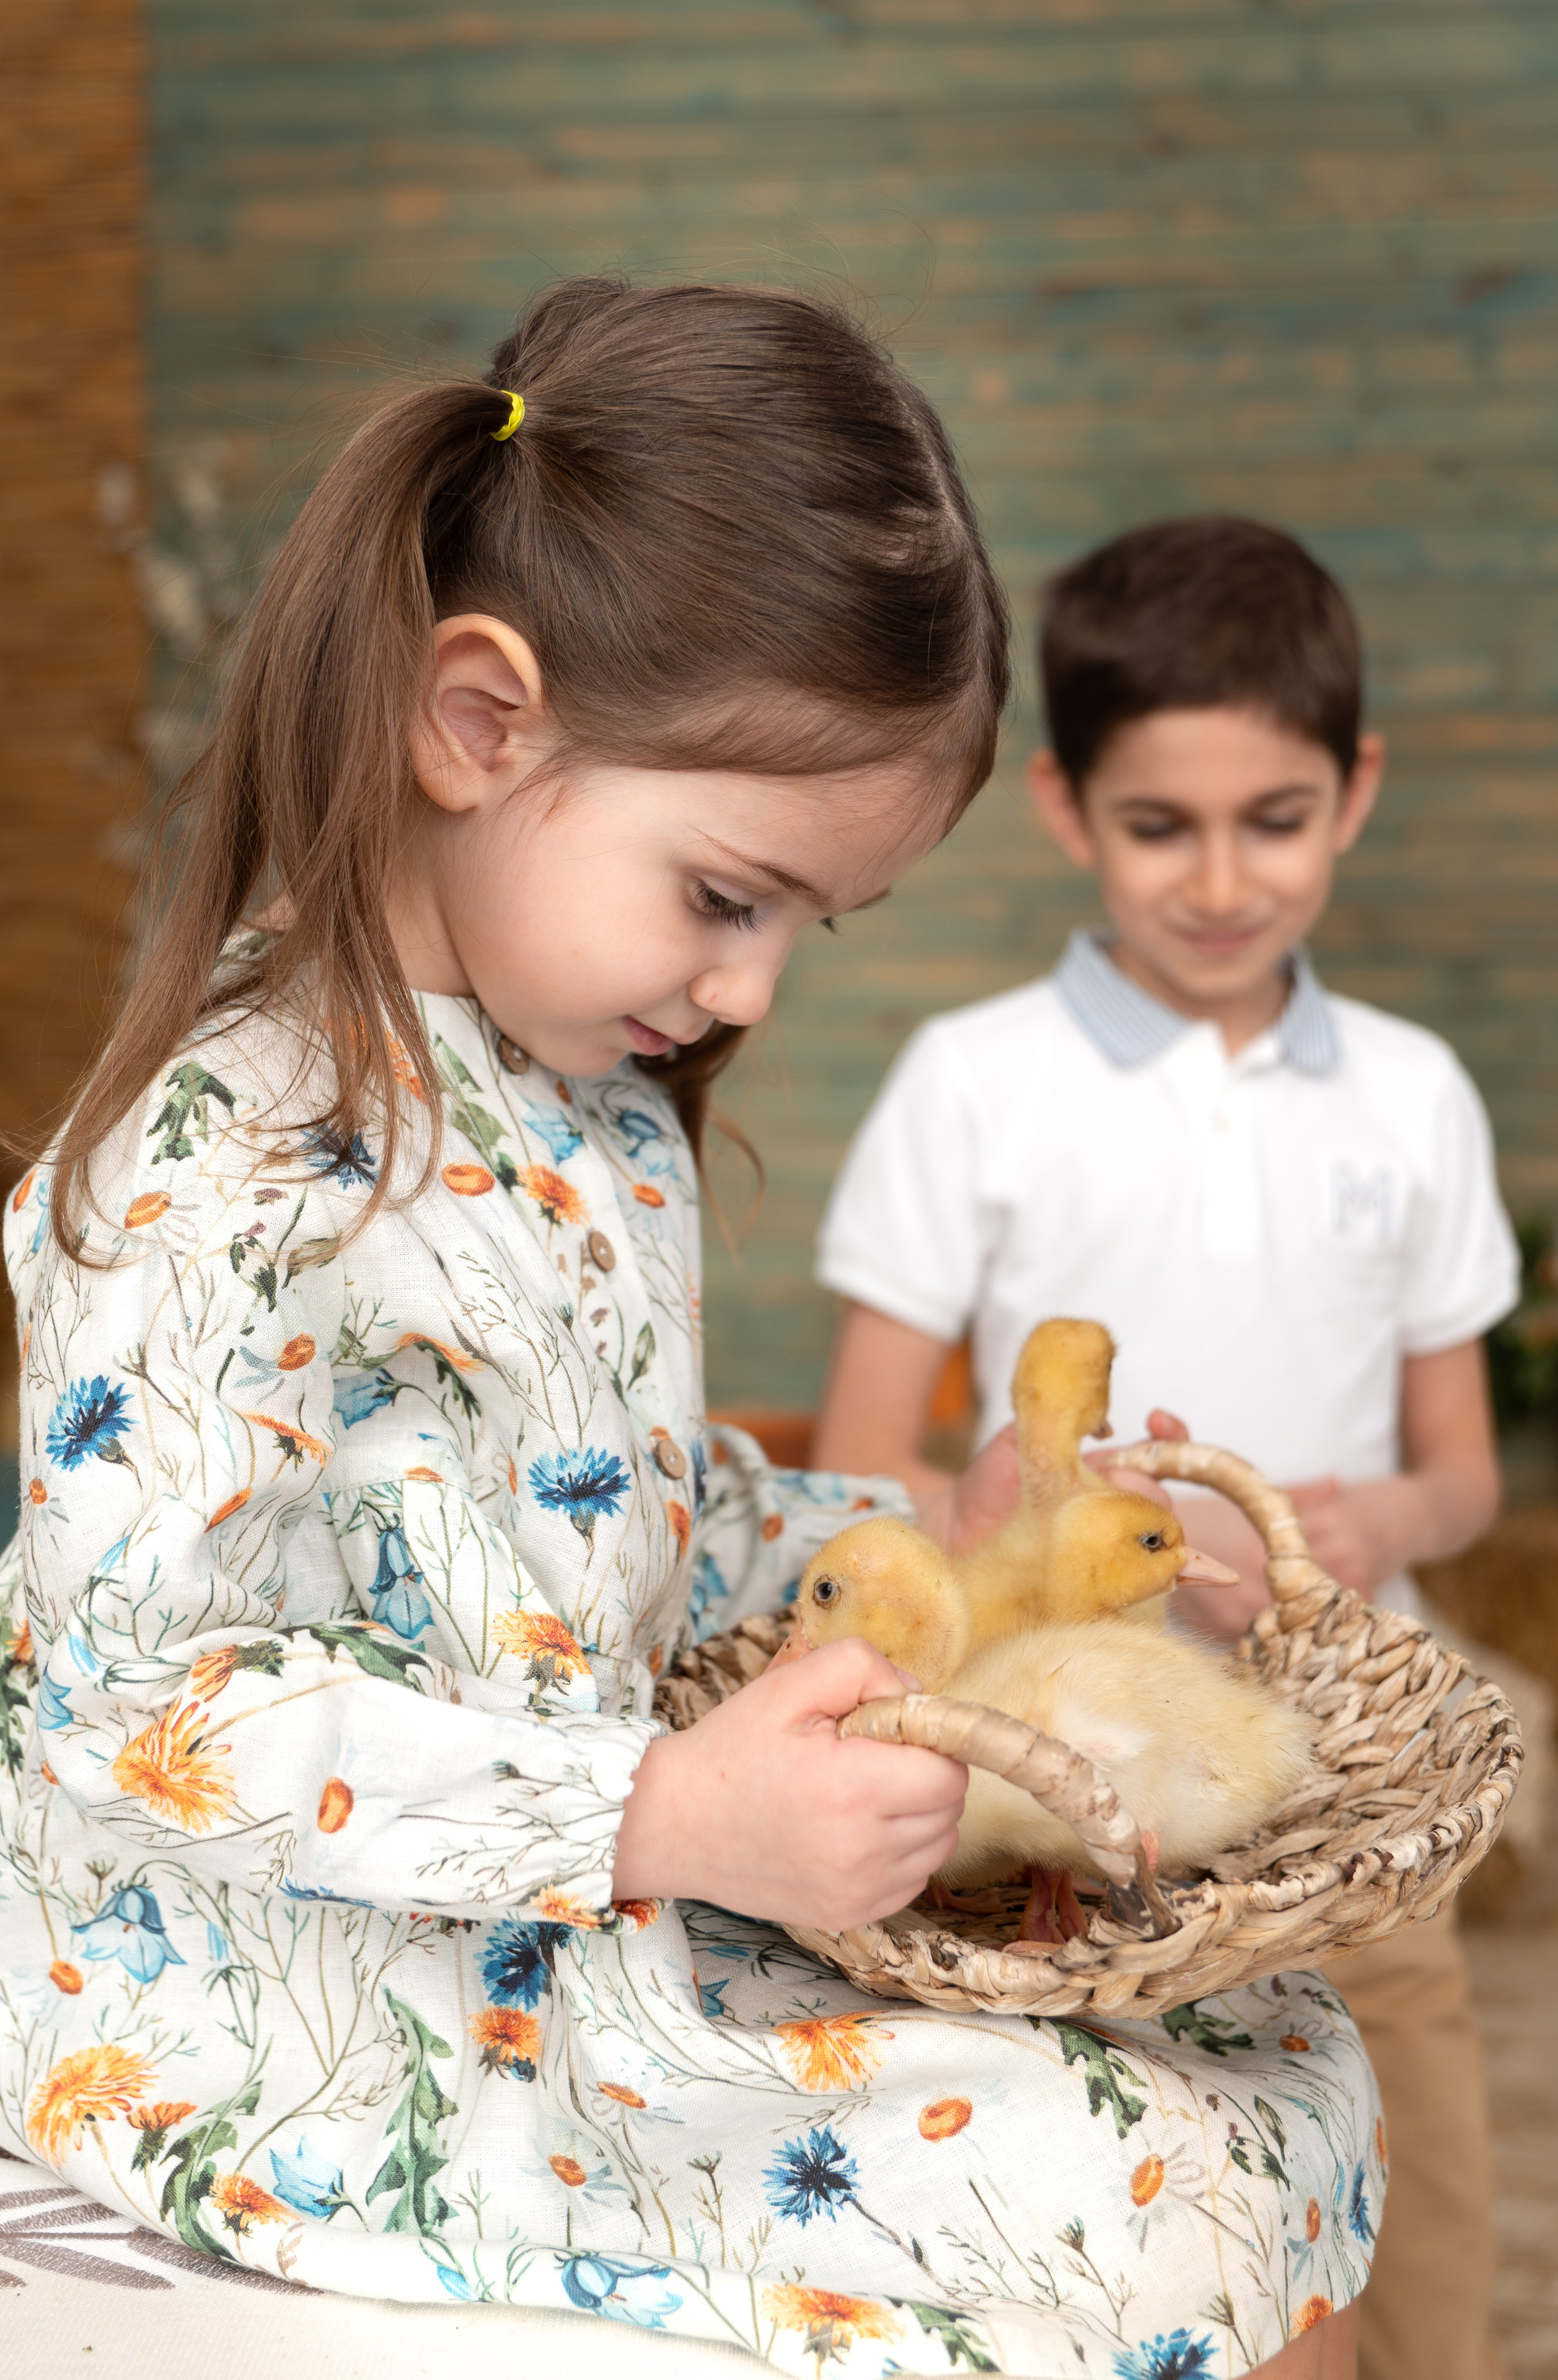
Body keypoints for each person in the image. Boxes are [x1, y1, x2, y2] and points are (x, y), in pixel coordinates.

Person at [0, 298, 1370, 2380]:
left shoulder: (588, 1113)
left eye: (802, 929)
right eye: (728, 895)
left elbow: (625, 1514)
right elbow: (141, 1712)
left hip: (572, 1896)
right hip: (293, 2004)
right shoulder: (226, 1167)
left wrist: (953, 1545)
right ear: (482, 721)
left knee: (1264, 2050)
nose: (749, 995)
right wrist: (652, 1821)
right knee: (1141, 2195)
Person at [814, 515, 1518, 2380]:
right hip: (1064, 1811)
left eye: (1273, 819)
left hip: (1353, 1803)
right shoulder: (974, 1085)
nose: (1220, 878)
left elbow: (1468, 1477)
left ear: (1353, 793)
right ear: (1063, 805)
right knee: (1161, 2261)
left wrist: (1382, 1516)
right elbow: (871, 1455)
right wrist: (1005, 1512)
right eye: (1160, 825)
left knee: (1422, 2204)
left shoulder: (1413, 1099)